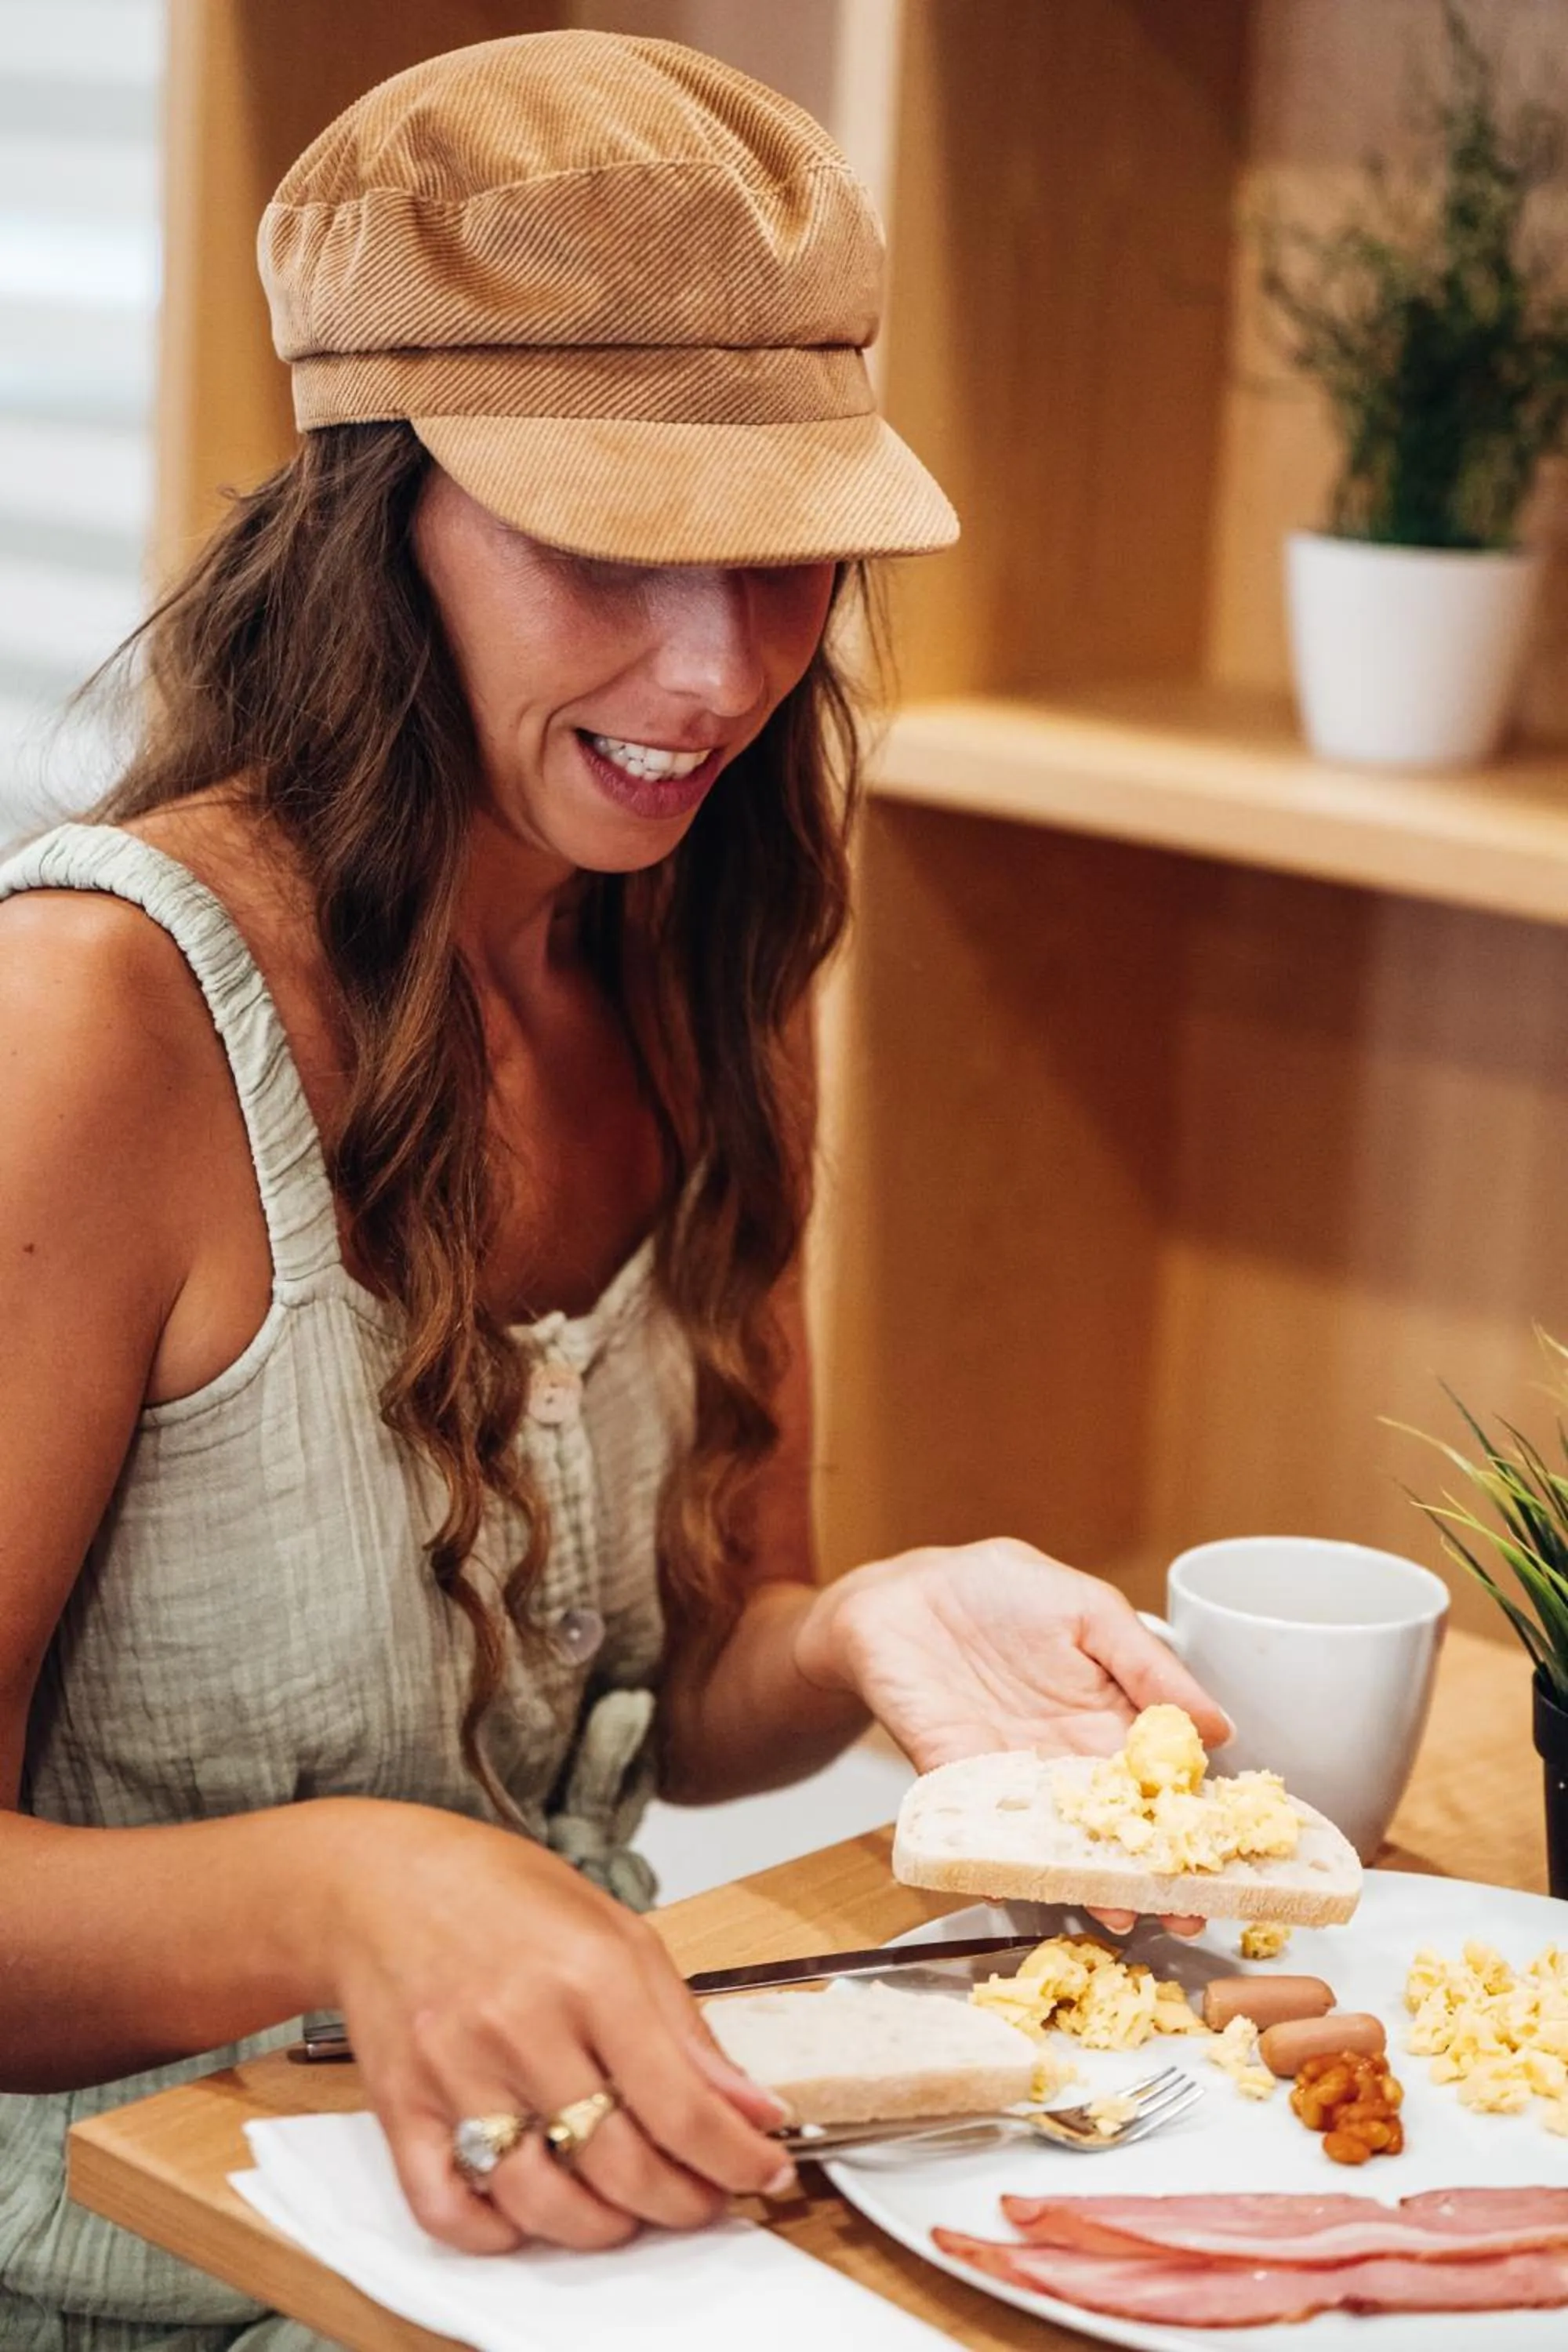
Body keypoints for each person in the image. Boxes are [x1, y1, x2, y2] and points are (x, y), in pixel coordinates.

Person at [0, 32, 1229, 2351]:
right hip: (142, 2275)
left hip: (586, 2203)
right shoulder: (97, 1020)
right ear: (376, 512)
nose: (720, 670)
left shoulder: (704, 940)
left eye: (789, 562)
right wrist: (359, 1892)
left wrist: (862, 1630)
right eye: (610, 544)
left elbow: (690, 1683)